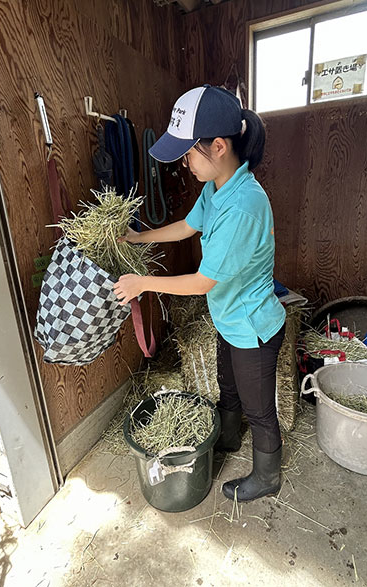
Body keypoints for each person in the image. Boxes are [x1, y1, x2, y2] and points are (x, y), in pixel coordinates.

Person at [113, 84, 286, 503]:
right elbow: (188, 226)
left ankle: (267, 477)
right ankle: (227, 436)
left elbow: (203, 282)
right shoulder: (218, 188)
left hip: (252, 328)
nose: (185, 162)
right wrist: (138, 237)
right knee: (228, 386)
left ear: (219, 147)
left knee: (259, 409)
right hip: (229, 320)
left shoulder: (243, 205)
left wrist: (143, 283)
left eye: (189, 152)